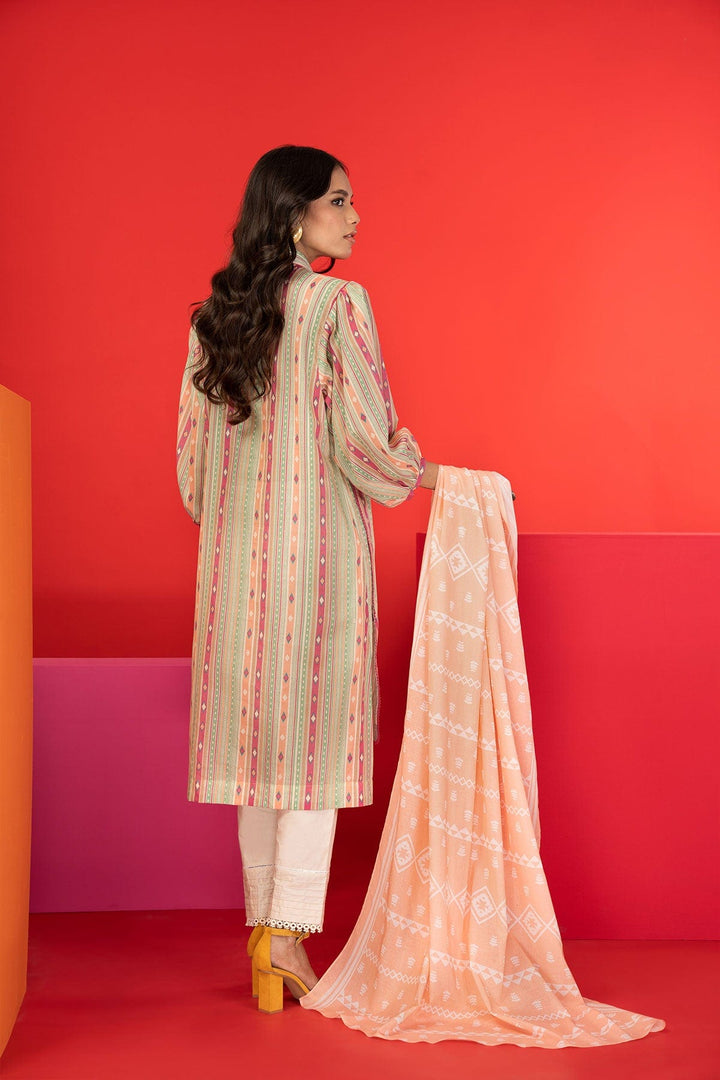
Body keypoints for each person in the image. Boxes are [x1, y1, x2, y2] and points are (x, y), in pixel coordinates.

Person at [176, 145, 438, 1012]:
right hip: (318, 563)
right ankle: (287, 938)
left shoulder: (213, 320)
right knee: (315, 753)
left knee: (257, 754)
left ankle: (263, 930)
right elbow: (365, 444)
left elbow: (193, 473)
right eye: (339, 200)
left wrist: (238, 525)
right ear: (294, 216)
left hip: (233, 572)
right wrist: (427, 473)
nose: (355, 218)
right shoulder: (337, 304)